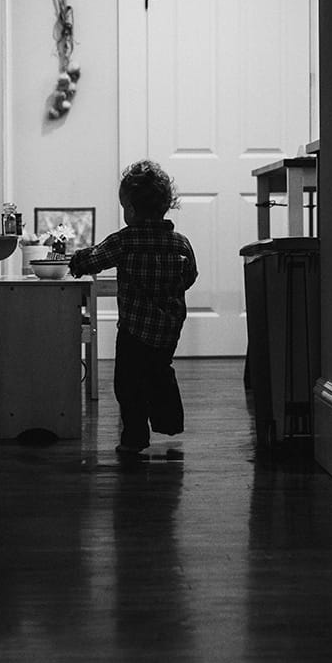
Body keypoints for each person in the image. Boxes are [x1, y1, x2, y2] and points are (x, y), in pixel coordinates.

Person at [68, 160, 198, 455]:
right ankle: (169, 422)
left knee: (129, 384)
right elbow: (189, 277)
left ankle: (135, 438)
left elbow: (92, 260)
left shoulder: (125, 240)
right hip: (168, 331)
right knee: (160, 370)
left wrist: (74, 260)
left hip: (134, 331)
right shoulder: (181, 243)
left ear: (131, 210)